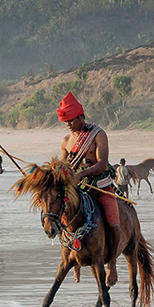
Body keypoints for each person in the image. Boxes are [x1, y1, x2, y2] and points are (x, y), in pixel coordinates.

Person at [58, 92, 120, 287]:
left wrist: (81, 174)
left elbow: (102, 164)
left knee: (113, 222)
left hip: (100, 186)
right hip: (79, 190)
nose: (68, 124)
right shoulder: (66, 140)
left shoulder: (98, 134)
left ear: (81, 116)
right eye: (65, 121)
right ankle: (72, 259)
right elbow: (62, 167)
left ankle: (113, 264)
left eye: (71, 120)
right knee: (60, 219)